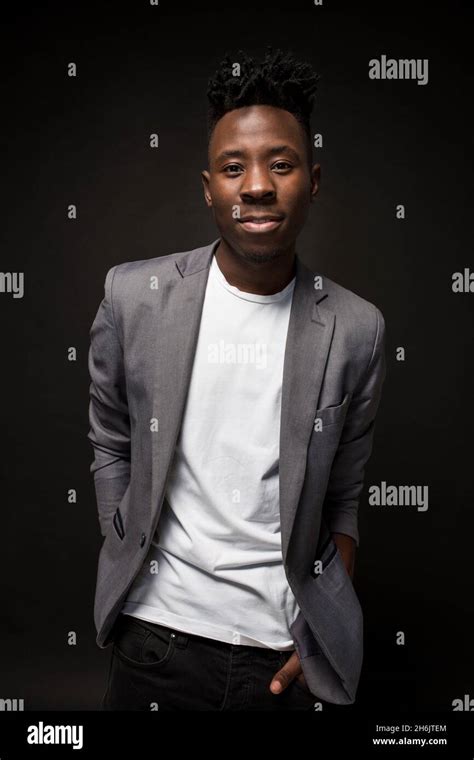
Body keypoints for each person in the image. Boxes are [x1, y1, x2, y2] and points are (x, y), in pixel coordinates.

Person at [88, 46, 386, 711]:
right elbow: (111, 436)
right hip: (154, 642)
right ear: (208, 187)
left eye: (280, 165)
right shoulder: (135, 296)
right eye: (233, 168)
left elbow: (344, 494)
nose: (256, 185)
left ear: (314, 180)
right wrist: (123, 536)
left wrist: (318, 634)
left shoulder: (357, 328)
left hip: (279, 656)